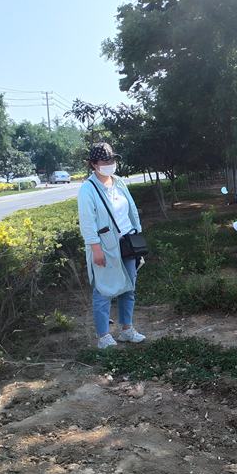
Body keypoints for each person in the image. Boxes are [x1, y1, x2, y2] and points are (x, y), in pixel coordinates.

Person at [77, 142, 146, 349]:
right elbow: (87, 222)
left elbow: (131, 210)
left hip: (128, 242)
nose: (109, 164)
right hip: (105, 246)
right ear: (93, 164)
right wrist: (95, 248)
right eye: (104, 160)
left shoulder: (119, 182)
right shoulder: (88, 189)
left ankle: (126, 329)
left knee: (129, 287)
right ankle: (103, 336)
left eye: (111, 159)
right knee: (103, 290)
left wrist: (137, 233)